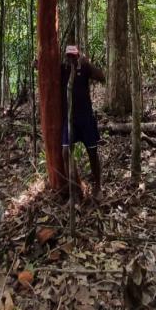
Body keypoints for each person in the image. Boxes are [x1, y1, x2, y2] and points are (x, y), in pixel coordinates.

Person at [61, 44, 105, 200]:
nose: (71, 59)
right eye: (69, 57)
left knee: (92, 152)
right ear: (65, 57)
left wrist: (88, 63)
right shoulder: (63, 70)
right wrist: (38, 65)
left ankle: (98, 187)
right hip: (69, 119)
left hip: (85, 117)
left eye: (74, 56)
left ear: (78, 56)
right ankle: (74, 191)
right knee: (66, 152)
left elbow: (102, 77)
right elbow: (46, 72)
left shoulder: (84, 67)